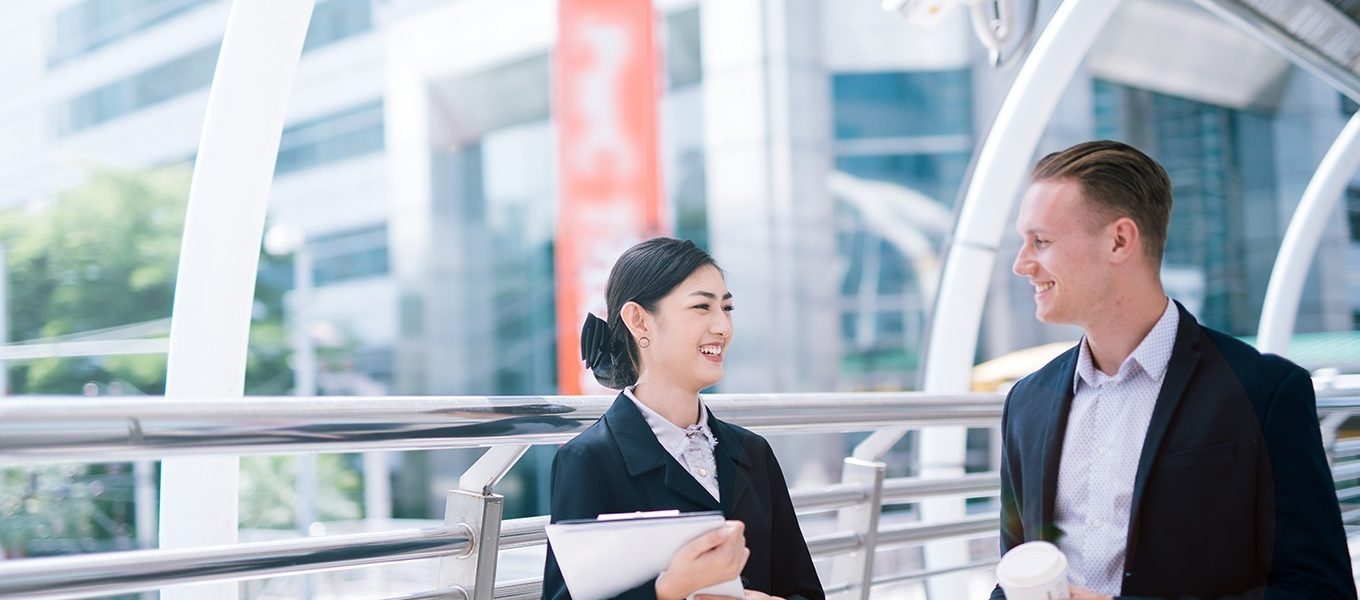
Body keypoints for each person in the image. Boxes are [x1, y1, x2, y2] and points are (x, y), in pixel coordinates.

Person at [993, 141, 1355, 599]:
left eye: (1041, 241)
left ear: (1119, 240)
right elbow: (1016, 574)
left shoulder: (1264, 392)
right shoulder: (1026, 403)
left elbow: (1320, 590)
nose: (1021, 264)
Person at [542, 237, 824, 600]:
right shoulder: (590, 459)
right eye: (701, 307)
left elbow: (805, 591)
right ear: (639, 321)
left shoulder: (753, 452)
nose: (723, 326)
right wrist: (668, 590)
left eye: (726, 308)